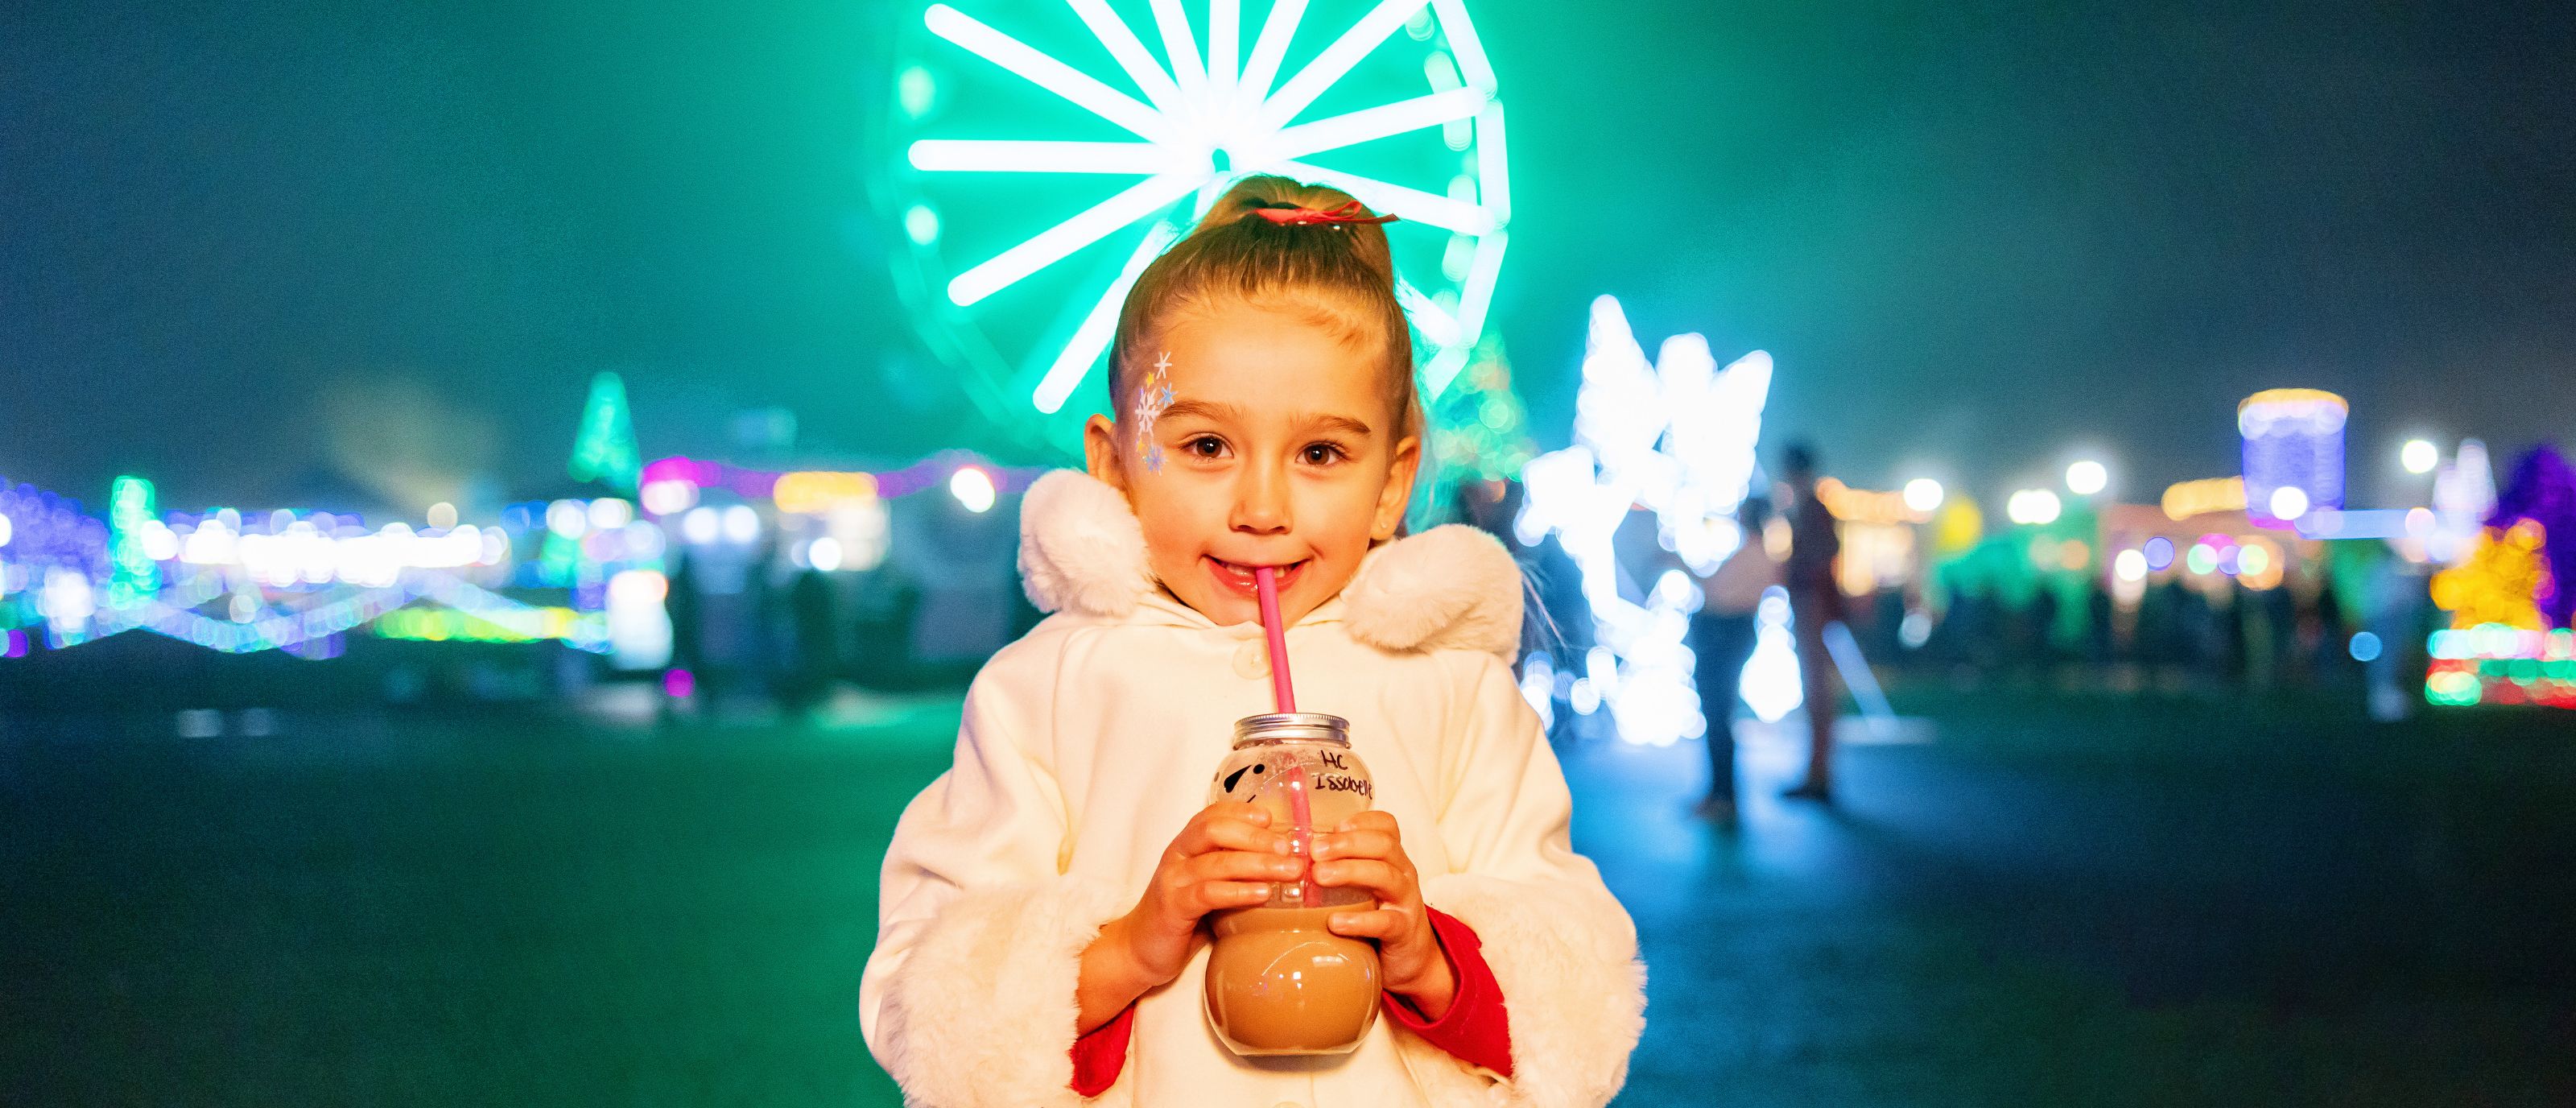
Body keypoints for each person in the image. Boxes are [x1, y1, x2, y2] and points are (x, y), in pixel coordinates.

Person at [859, 177, 1644, 1107]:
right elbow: (927, 1001)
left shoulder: (1454, 691)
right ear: (1113, 464)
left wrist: (1428, 957)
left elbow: (1574, 994)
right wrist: (1130, 946)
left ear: (1392, 483)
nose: (1261, 510)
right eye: (1203, 447)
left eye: (1319, 455)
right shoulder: (1045, 691)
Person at [1688, 497, 1777, 821]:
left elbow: (1715, 591)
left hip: (1723, 637)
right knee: (1720, 715)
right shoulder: (1758, 553)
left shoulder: (1750, 554)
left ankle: (1722, 795)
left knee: (1717, 714)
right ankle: (1721, 793)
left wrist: (1679, 565)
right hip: (1731, 635)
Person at [1777, 442, 1843, 802]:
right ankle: (1816, 772)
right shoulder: (1808, 507)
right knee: (1815, 689)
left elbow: (1825, 551)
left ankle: (1819, 774)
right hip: (1810, 601)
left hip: (1811, 603)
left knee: (1817, 689)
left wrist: (1802, 576)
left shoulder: (1813, 509)